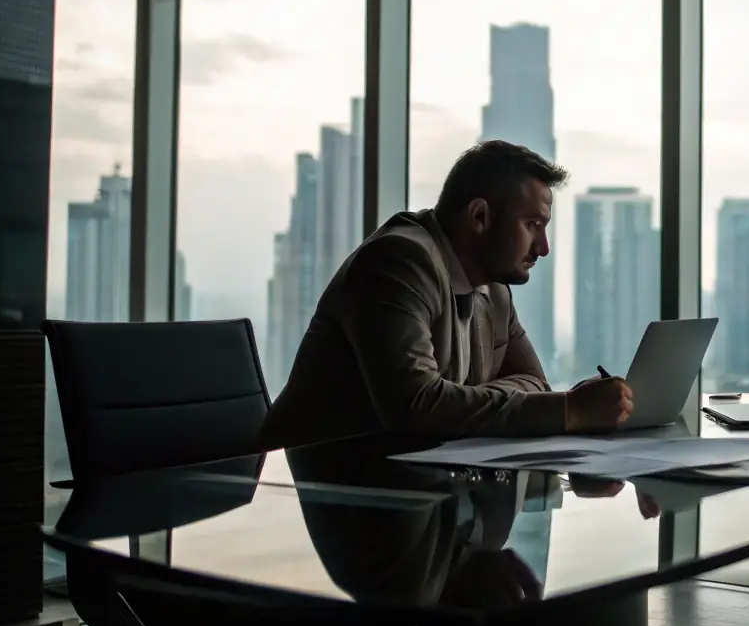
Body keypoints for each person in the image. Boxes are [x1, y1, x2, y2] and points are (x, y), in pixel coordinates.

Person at [258, 141, 633, 451]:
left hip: (407, 487)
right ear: (480, 216)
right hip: (308, 493)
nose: (544, 247)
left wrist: (461, 400)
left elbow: (534, 383)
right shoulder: (398, 263)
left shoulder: (494, 288)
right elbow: (417, 407)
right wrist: (568, 408)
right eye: (532, 224)